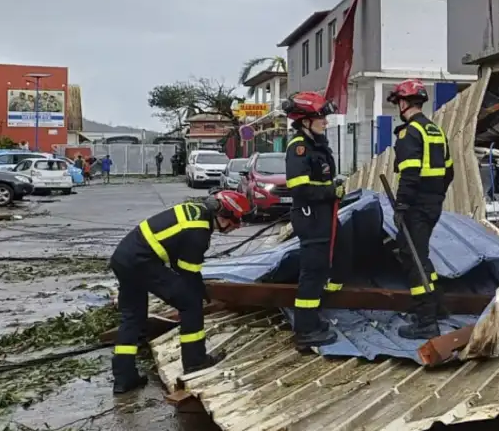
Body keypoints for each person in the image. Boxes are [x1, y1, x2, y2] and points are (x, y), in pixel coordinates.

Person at [109, 190, 251, 394]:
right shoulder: (200, 231)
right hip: (142, 263)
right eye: (236, 221)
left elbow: (178, 260)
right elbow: (187, 272)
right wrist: (199, 293)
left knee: (132, 317)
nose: (236, 227)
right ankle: (195, 361)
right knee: (191, 305)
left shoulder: (194, 212)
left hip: (124, 259)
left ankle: (124, 379)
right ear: (225, 214)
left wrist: (194, 284)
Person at [388, 79, 454, 339]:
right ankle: (437, 307)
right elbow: (449, 171)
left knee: (412, 257)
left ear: (403, 103)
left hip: (415, 205)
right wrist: (435, 195)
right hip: (433, 203)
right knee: (421, 255)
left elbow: (410, 174)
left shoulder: (409, 133)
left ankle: (426, 321)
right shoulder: (435, 131)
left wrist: (402, 205)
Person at [282, 91, 344, 349]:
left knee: (320, 271)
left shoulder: (316, 144)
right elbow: (299, 189)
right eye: (321, 118)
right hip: (311, 217)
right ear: (305, 120)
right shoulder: (299, 148)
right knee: (312, 272)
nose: (326, 122)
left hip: (322, 215)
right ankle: (305, 331)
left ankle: (313, 320)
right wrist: (331, 192)